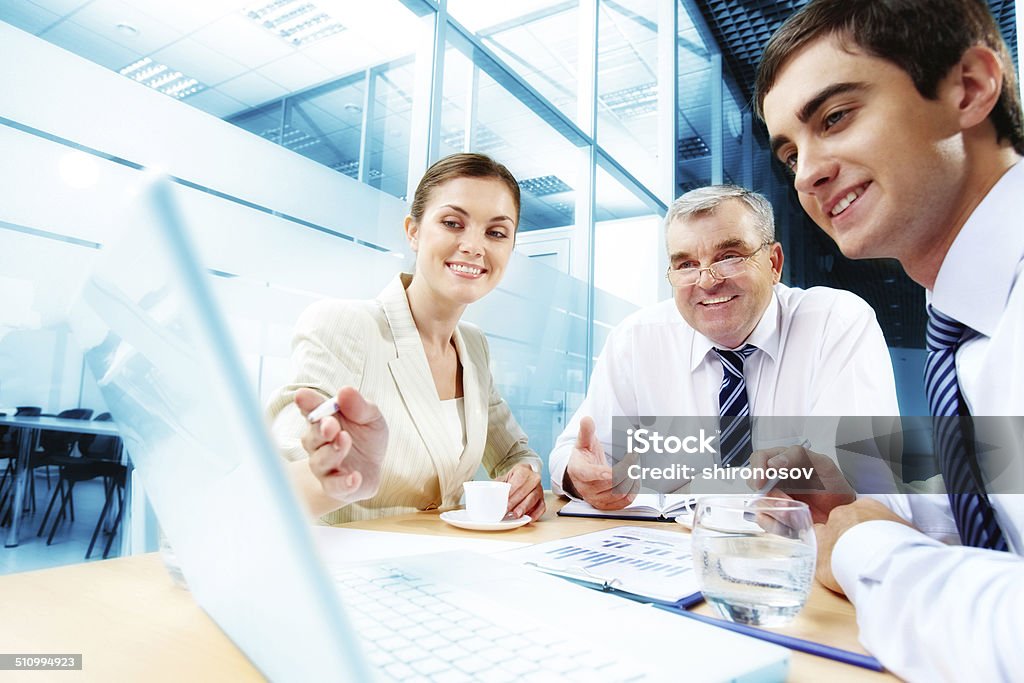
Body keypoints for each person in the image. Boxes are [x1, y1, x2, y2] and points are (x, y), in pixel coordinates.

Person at [756, 0, 1024, 679]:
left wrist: (868, 547)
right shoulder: (962, 318)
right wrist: (860, 501)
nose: (806, 174)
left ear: (968, 88)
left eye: (836, 117)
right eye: (790, 151)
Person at [548, 184, 898, 509]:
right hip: (665, 549)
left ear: (773, 264)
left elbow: (856, 478)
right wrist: (580, 476)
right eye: (686, 264)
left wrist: (696, 489)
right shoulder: (636, 338)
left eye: (728, 256)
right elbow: (577, 455)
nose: (707, 281)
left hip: (791, 549)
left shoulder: (834, 322)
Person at [266, 153, 544, 525]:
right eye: (452, 223)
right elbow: (273, 485)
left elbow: (513, 452)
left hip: (443, 570)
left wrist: (526, 476)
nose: (474, 246)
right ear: (413, 231)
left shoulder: (473, 347)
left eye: (496, 232)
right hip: (350, 571)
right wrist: (335, 479)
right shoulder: (346, 326)